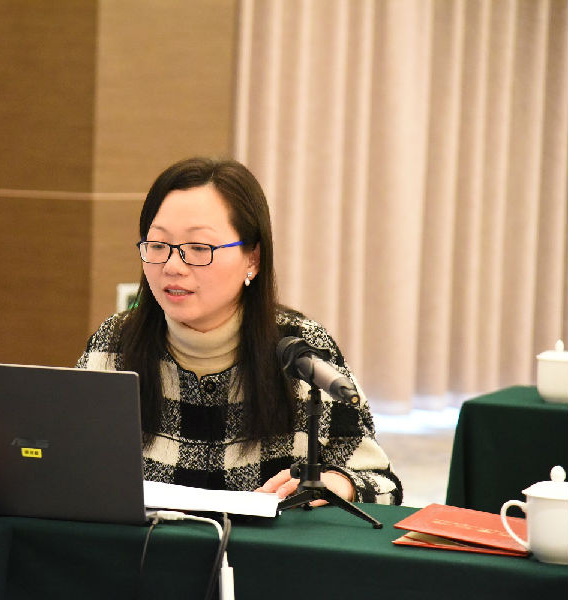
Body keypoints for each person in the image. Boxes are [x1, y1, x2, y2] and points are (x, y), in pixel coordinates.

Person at [75, 157, 402, 505]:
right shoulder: (114, 344)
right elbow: (65, 461)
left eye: (198, 248)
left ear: (252, 258)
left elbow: (382, 485)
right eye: (157, 246)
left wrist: (340, 483)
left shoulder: (299, 350)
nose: (172, 266)